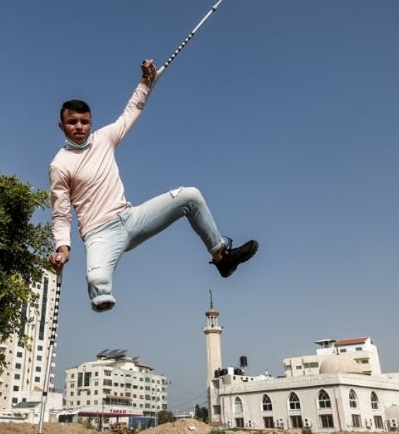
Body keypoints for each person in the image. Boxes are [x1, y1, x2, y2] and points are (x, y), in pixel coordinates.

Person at [49, 59, 258, 312]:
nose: (79, 127)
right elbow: (61, 213)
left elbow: (131, 111)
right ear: (62, 126)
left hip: (132, 218)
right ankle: (102, 297)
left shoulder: (104, 138)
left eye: (84, 121)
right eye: (72, 122)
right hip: (99, 234)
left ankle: (222, 257)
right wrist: (63, 249)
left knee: (190, 196)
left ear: (91, 122)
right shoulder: (60, 164)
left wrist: (146, 81)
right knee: (98, 282)